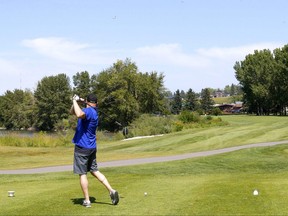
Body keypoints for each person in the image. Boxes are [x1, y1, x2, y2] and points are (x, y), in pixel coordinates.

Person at [70, 93, 119, 208]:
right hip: (91, 147)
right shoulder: (93, 111)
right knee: (94, 170)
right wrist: (76, 102)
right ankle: (111, 190)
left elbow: (78, 114)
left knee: (82, 173)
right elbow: (73, 111)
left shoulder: (88, 112)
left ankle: (87, 201)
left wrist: (74, 100)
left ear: (87, 102)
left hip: (82, 147)